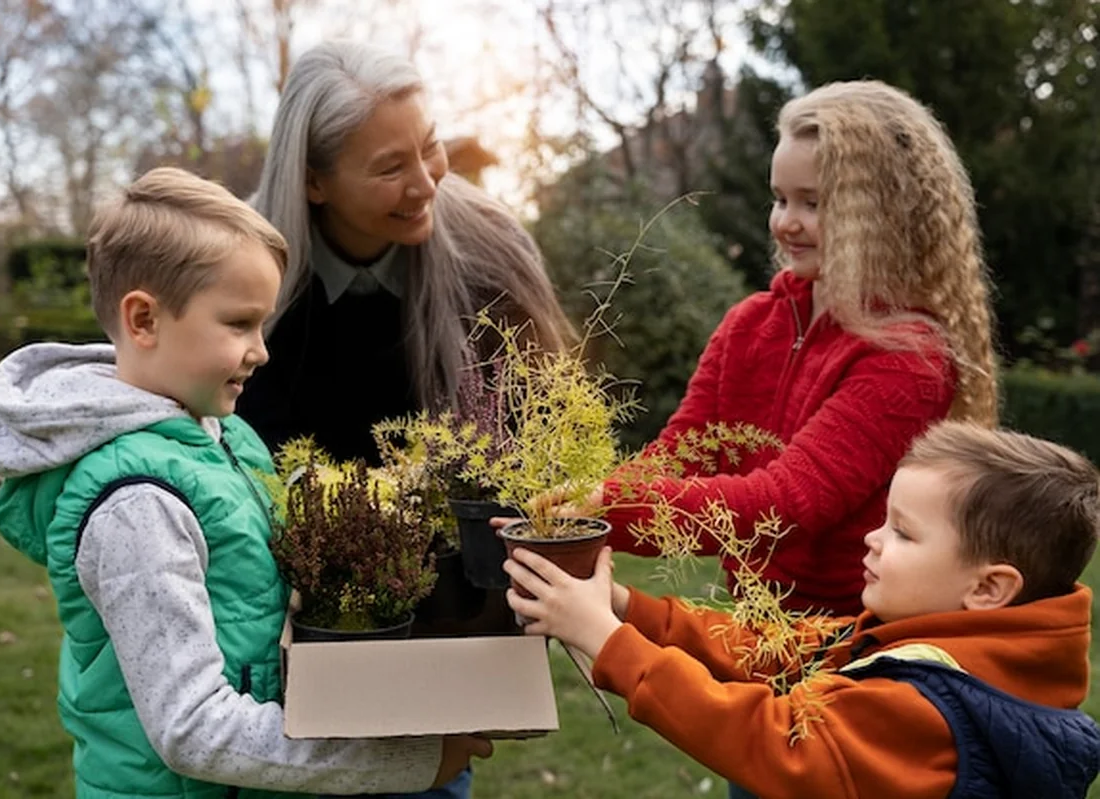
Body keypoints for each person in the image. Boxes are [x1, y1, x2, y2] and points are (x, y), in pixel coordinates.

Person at [0, 167, 491, 798]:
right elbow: (192, 727)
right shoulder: (137, 505)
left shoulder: (228, 438)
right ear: (143, 320)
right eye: (238, 324)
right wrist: (401, 763)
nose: (262, 350)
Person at [550, 80, 999, 618]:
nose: (786, 222)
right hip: (753, 622)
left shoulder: (908, 358)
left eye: (814, 203)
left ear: (884, 214)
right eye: (780, 198)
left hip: (849, 638)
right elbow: (681, 455)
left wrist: (606, 507)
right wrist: (581, 506)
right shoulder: (750, 323)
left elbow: (783, 504)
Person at [506, 421, 1100, 798]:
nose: (872, 539)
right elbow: (772, 648)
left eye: (903, 534)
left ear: (990, 589)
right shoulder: (936, 652)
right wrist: (625, 607)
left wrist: (606, 641)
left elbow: (772, 739)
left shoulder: (924, 711)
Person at [238, 40, 574, 467]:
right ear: (313, 182)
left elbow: (541, 431)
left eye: (430, 147)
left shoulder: (493, 252)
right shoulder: (238, 270)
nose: (426, 185)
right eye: (391, 168)